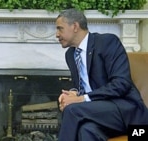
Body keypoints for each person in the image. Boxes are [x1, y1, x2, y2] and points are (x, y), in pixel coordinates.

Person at [56, 8, 148, 141]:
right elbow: (82, 85)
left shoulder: (107, 42)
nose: (57, 34)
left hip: (124, 110)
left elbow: (121, 84)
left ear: (75, 26)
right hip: (98, 113)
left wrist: (81, 99)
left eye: (60, 29)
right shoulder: (70, 55)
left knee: (72, 110)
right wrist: (72, 93)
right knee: (87, 130)